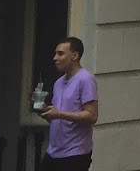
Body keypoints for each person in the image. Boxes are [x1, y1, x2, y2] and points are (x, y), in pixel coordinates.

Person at [40, 37, 98, 170]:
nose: (55, 58)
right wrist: (44, 110)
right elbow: (58, 118)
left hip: (75, 153)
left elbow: (92, 115)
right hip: (54, 151)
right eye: (55, 54)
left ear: (75, 56)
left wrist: (59, 114)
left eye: (60, 53)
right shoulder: (58, 83)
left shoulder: (85, 80)